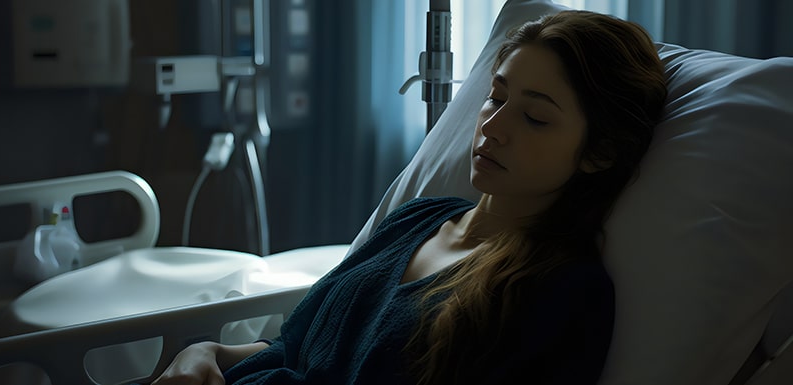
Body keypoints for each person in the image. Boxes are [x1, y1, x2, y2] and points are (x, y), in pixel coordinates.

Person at [152, 10, 667, 385]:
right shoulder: (420, 218)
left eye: (534, 117)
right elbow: (294, 345)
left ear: (598, 153)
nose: (492, 127)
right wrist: (208, 352)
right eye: (497, 96)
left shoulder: (562, 292)